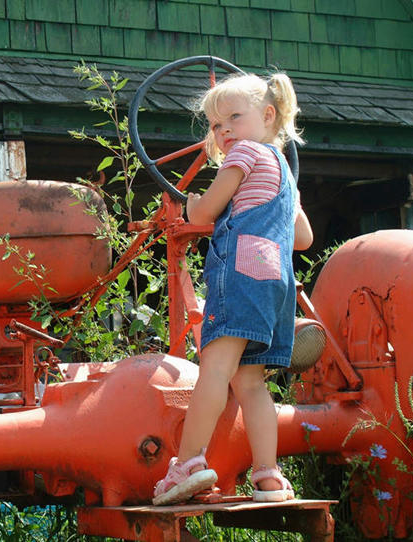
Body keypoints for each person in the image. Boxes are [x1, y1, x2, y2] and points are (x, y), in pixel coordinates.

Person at [153, 71, 314, 506]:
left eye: (233, 119)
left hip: (240, 274)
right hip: (275, 285)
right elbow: (303, 238)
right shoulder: (284, 170)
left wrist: (190, 205)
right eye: (215, 125)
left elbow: (206, 208)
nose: (223, 132)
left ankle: (188, 462)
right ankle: (268, 476)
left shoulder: (244, 153)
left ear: (267, 115)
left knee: (215, 369)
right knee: (252, 383)